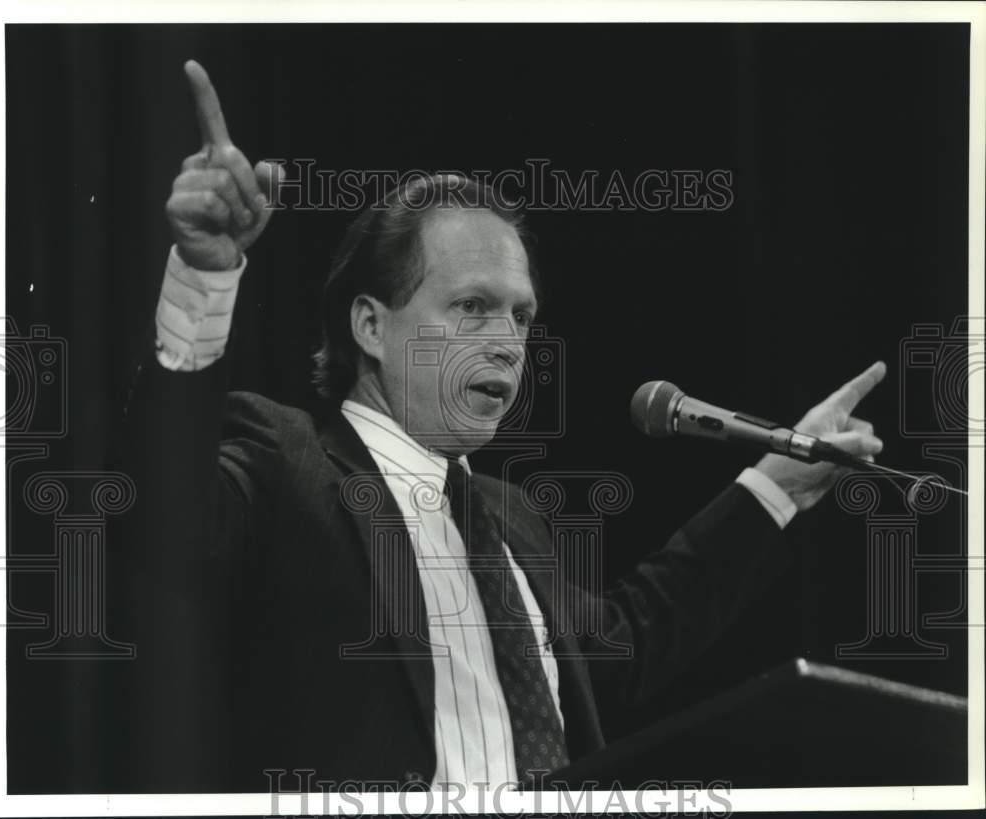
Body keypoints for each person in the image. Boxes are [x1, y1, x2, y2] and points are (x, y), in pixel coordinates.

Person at [120, 60, 886, 792]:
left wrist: (777, 484)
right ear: (371, 326)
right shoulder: (289, 463)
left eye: (520, 314)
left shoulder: (509, 518)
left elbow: (623, 648)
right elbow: (165, 507)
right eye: (470, 306)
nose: (506, 341)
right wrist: (207, 273)